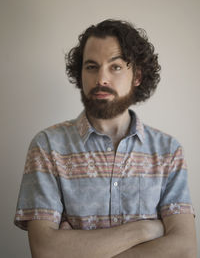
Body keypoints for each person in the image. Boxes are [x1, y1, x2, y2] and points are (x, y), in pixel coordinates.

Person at [14, 19, 197, 258]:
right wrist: (147, 229)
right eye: (91, 66)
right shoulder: (47, 146)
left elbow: (185, 249)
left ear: (137, 76)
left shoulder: (168, 151)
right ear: (80, 74)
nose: (101, 78)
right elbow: (45, 250)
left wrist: (78, 248)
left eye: (116, 67)